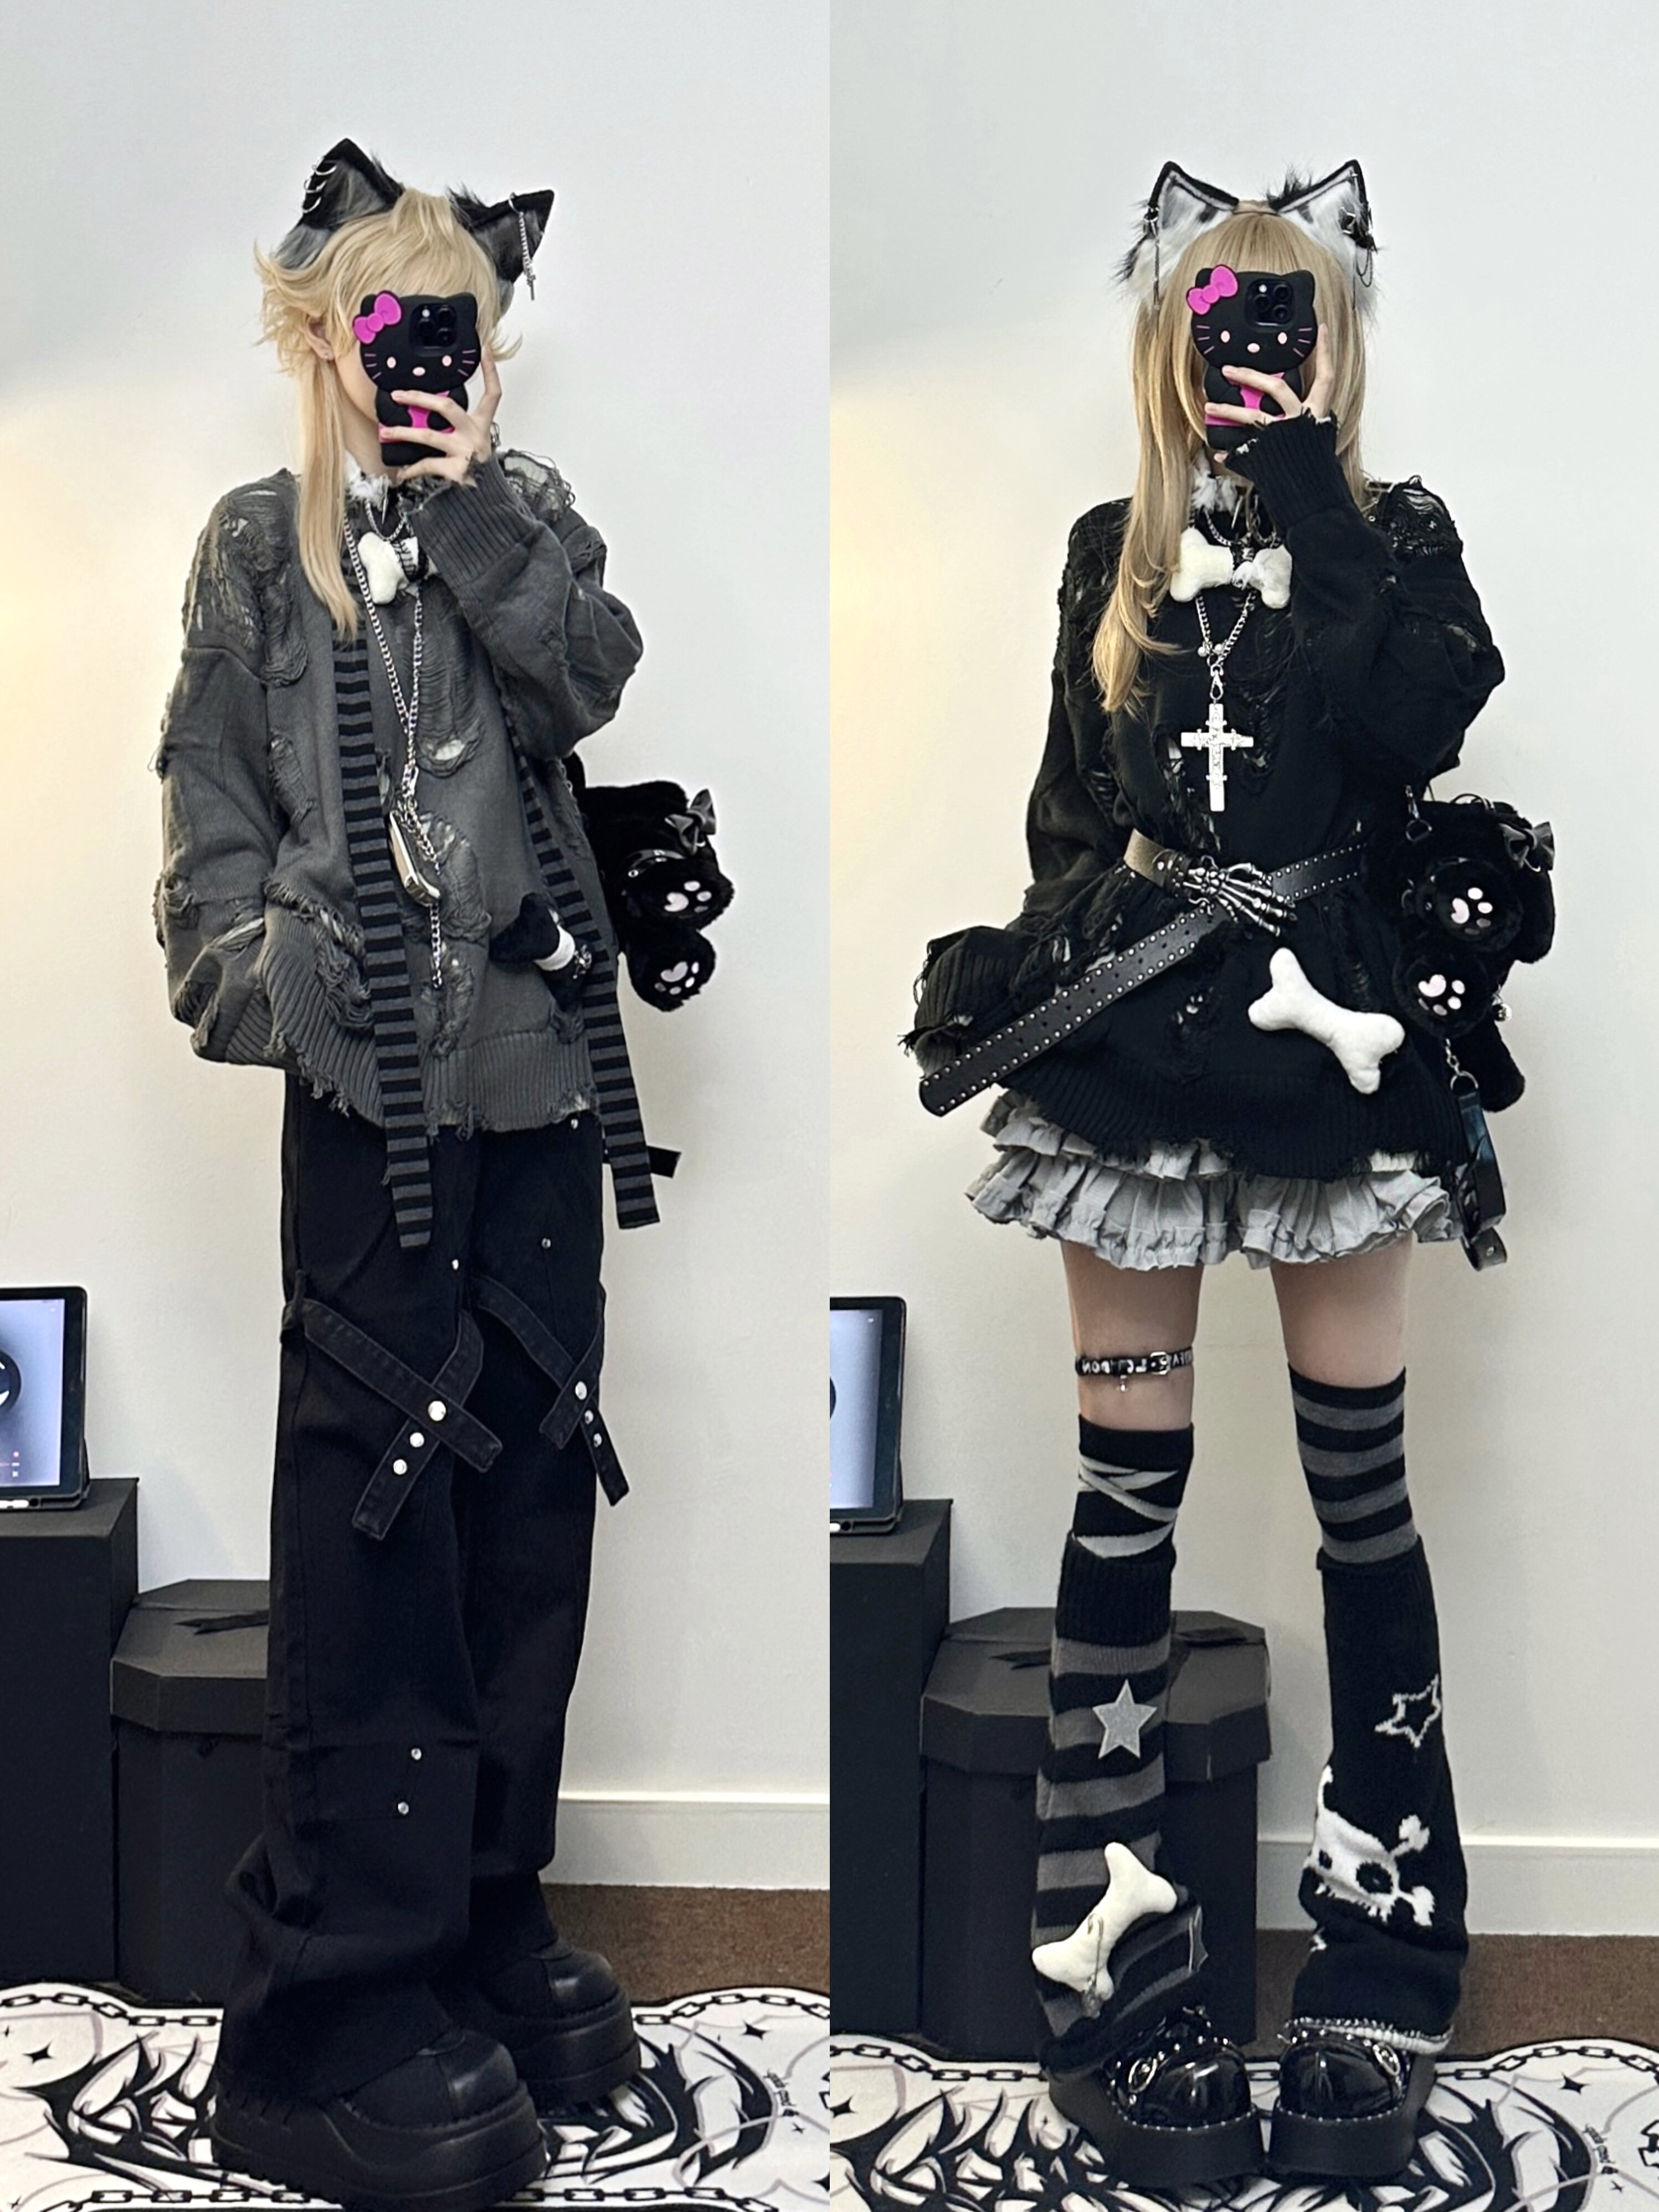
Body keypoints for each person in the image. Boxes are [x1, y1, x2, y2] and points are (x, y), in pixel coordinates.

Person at [907, 162, 1509, 2185]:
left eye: (1285, 321)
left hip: (1332, 1064)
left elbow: (1415, 721)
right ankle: (1115, 1978)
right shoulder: (1114, 549)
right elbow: (1065, 823)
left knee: (1362, 1499)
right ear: (1165, 345)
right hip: (1140, 1064)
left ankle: (1383, 1956)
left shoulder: (1394, 540)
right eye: (1215, 320)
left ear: (1334, 351)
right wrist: (1067, 983)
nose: (1246, 353)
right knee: (1125, 1500)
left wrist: (1312, 486)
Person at [156, 138, 663, 2212]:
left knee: (526, 1503)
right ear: (317, 337)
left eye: (455, 325)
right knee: (374, 1523)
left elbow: (589, 675)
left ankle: (475, 1917)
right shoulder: (249, 556)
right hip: (366, 1116)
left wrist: (468, 513)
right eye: (384, 322)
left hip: (537, 1099)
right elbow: (205, 858)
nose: (420, 358)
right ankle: (337, 1998)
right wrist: (297, 970)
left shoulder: (524, 523)